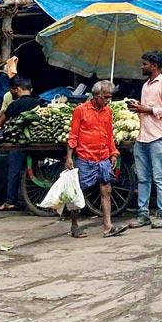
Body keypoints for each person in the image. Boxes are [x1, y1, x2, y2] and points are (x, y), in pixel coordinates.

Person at [65, 81, 125, 238]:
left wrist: (113, 153)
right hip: (85, 156)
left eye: (110, 97)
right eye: (105, 97)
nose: (108, 101)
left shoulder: (108, 111)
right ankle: (74, 225)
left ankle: (108, 226)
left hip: (103, 156)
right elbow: (73, 135)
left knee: (106, 190)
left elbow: (109, 134)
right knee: (77, 193)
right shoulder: (80, 110)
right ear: (96, 95)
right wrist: (69, 157)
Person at [127, 51, 162, 230]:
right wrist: (138, 107)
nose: (142, 67)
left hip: (157, 137)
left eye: (144, 64)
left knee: (159, 177)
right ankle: (143, 214)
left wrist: (147, 109)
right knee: (143, 178)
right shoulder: (145, 85)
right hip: (142, 137)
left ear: (154, 66)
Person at [0, 77, 37, 212]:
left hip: (18, 143)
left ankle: (11, 201)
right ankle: (32, 199)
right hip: (36, 143)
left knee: (14, 172)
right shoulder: (38, 103)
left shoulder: (15, 105)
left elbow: (1, 122)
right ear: (31, 89)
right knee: (32, 171)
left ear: (18, 89)